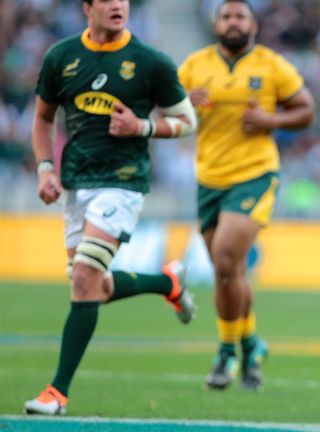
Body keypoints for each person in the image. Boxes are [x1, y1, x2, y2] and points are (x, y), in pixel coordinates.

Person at [23, 0, 198, 416]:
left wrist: (143, 127)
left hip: (124, 182)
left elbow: (188, 120)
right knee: (91, 287)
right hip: (75, 183)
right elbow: (43, 118)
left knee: (83, 277)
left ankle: (57, 393)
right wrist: (45, 169)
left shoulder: (149, 61)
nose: (118, 4)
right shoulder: (61, 57)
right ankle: (167, 283)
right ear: (87, 8)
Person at [178, 0, 316, 391]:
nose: (233, 21)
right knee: (231, 272)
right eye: (226, 16)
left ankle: (225, 353)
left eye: (240, 15)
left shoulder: (272, 65)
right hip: (208, 179)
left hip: (255, 175)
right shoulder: (193, 66)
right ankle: (252, 343)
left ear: (253, 24)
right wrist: (186, 104)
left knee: (224, 260)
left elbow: (307, 110)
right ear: (215, 24)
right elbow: (169, 111)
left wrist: (271, 120)